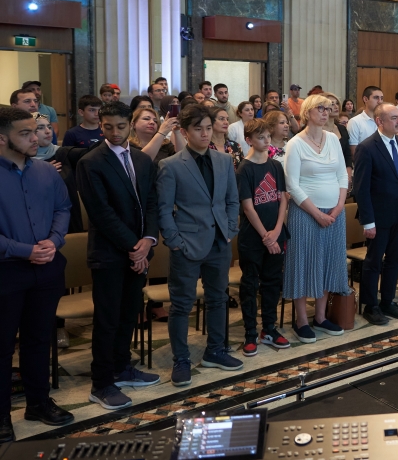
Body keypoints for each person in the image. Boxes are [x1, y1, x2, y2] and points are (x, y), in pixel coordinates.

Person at [76, 101, 161, 410]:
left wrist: (148, 240)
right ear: (101, 126)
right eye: (108, 126)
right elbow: (101, 213)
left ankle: (121, 367)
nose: (114, 132)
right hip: (110, 253)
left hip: (140, 250)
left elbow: (151, 202)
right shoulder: (90, 162)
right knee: (108, 319)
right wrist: (134, 246)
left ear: (130, 125)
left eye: (120, 126)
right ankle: (101, 383)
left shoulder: (141, 159)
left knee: (129, 313)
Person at [0, 106, 75, 440]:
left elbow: (63, 208)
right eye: (26, 133)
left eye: (37, 130)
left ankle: (38, 403)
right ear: (2, 139)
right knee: (2, 346)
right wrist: (24, 250)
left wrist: (53, 241)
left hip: (46, 267)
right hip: (6, 270)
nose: (37, 138)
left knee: (39, 338)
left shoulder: (46, 171)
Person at [157, 104, 242, 385]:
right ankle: (181, 359)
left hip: (219, 240)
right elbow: (163, 209)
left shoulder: (224, 160)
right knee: (182, 304)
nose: (205, 134)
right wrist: (175, 241)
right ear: (185, 132)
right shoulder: (171, 165)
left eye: (208, 128)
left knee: (218, 299)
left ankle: (215, 351)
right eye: (198, 129)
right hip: (187, 242)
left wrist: (230, 229)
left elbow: (232, 199)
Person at [283, 95, 351, 342]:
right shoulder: (295, 143)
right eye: (320, 108)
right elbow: (292, 185)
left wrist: (339, 206)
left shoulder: (332, 139)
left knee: (327, 263)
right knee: (303, 264)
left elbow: (342, 175)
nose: (326, 112)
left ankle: (320, 317)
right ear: (307, 112)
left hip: (334, 213)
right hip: (305, 214)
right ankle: (301, 320)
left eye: (328, 108)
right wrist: (317, 213)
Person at [353, 104, 398, 326]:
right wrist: (368, 221)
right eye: (394, 118)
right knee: (374, 261)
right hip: (379, 215)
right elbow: (361, 189)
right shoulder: (367, 147)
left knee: (394, 259)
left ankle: (387, 301)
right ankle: (370, 305)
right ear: (380, 121)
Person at [235, 119, 290, 356]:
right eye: (260, 137)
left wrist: (276, 231)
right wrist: (266, 238)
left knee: (272, 282)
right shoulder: (244, 169)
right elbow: (248, 207)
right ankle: (250, 332)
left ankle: (268, 328)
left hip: (276, 232)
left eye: (268, 136)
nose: (267, 141)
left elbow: (283, 198)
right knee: (250, 284)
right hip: (253, 237)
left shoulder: (275, 165)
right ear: (249, 140)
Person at [347, 86, 382, 156]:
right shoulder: (355, 122)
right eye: (376, 98)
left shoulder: (384, 120)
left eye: (381, 98)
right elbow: (354, 152)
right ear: (365, 99)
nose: (380, 101)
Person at [208, 105, 245, 170]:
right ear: (210, 121)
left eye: (227, 119)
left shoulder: (235, 146)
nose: (226, 122)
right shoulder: (205, 147)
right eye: (221, 119)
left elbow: (242, 170)